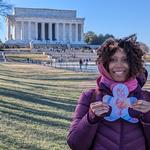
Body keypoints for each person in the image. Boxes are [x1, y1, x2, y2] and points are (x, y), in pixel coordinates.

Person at [67, 34, 150, 150]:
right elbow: (75, 144)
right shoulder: (89, 96)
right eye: (113, 60)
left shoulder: (147, 98)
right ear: (105, 63)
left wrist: (148, 117)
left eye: (125, 60)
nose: (119, 65)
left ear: (133, 63)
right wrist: (90, 118)